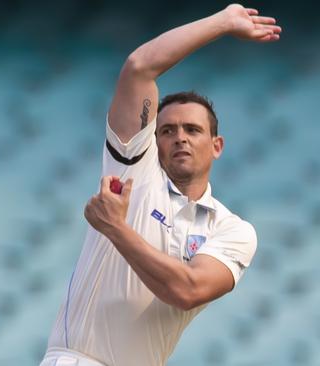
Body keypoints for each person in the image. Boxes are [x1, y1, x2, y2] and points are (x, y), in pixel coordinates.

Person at [40, 4, 282, 366]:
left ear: (217, 146)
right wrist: (224, 21)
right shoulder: (134, 174)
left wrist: (116, 229)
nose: (180, 138)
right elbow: (140, 68)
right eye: (167, 131)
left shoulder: (232, 230)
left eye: (193, 130)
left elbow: (187, 290)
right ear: (153, 141)